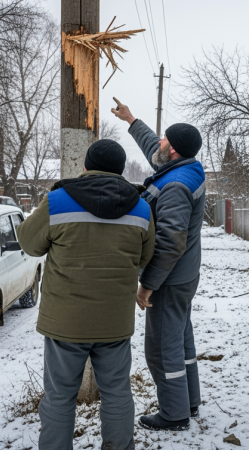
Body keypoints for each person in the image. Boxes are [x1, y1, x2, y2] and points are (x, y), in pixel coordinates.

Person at [17, 139, 155, 450]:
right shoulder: (141, 207)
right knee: (117, 391)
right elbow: (144, 257)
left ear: (85, 167)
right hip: (115, 322)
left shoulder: (57, 201)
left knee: (59, 396)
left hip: (65, 322)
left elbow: (29, 244)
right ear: (121, 170)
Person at [111, 101, 205, 431]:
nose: (160, 142)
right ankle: (189, 402)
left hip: (169, 279)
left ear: (174, 150)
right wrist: (131, 119)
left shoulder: (175, 187)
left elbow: (171, 242)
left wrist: (148, 284)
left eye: (165, 139)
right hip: (185, 274)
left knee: (161, 351)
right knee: (180, 342)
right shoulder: (187, 167)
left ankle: (174, 414)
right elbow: (154, 147)